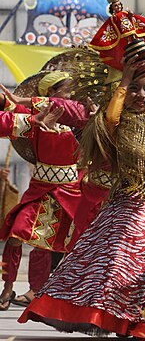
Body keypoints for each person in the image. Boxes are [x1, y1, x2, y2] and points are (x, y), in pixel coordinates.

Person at [17, 52, 145, 339]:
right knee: (118, 261)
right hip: (128, 201)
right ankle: (122, 319)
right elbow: (111, 116)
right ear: (123, 90)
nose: (141, 94)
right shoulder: (115, 121)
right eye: (134, 89)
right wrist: (126, 77)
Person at [0, 71, 83, 310]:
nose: (71, 96)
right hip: (40, 191)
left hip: (72, 193)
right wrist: (12, 101)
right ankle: (7, 288)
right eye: (67, 90)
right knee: (16, 237)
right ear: (51, 93)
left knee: (76, 245)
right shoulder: (33, 117)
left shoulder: (79, 120)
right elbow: (8, 109)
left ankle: (68, 296)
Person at [90, 0, 145, 72]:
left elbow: (131, 17)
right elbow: (112, 25)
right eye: (115, 6)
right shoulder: (114, 17)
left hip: (129, 28)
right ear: (112, 8)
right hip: (122, 32)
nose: (118, 7)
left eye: (119, 5)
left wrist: (130, 14)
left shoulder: (124, 13)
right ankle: (129, 44)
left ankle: (134, 41)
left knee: (133, 36)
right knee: (126, 40)